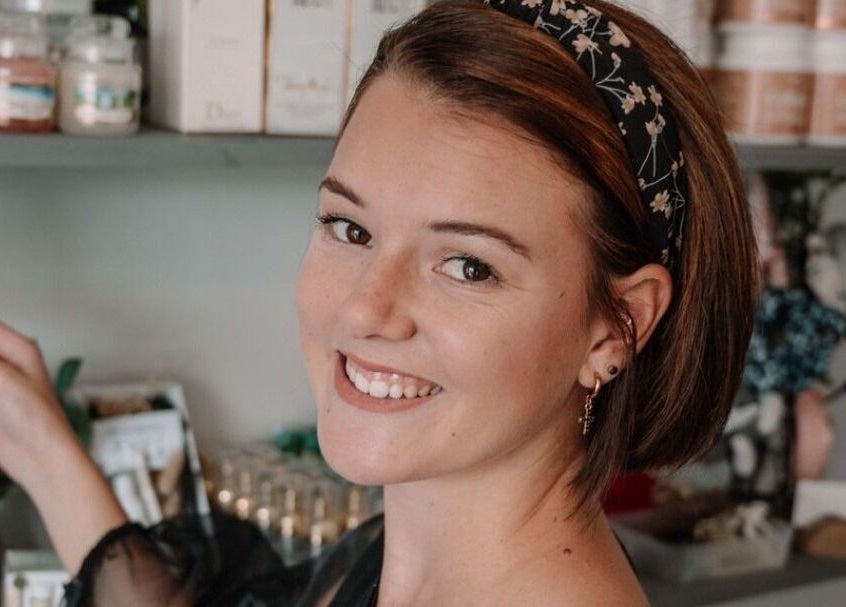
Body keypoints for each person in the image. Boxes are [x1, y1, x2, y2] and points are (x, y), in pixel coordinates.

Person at [0, 0, 758, 605]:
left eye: (467, 266)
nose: (366, 308)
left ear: (618, 325)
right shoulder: (398, 552)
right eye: (350, 226)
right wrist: (37, 442)